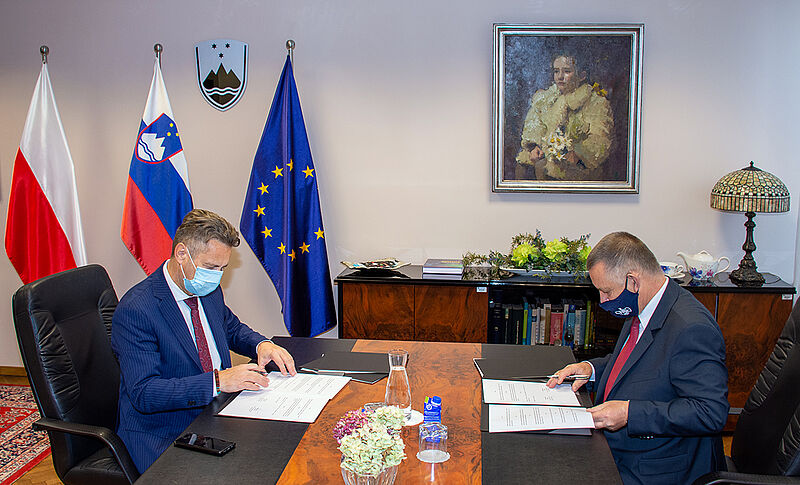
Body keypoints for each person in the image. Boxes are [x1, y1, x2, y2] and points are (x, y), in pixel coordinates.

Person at [111, 208, 297, 472]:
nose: (217, 276)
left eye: (222, 268)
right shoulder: (137, 310)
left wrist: (261, 344)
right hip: (166, 430)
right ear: (181, 254)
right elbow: (144, 393)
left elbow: (230, 328)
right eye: (211, 267)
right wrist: (219, 381)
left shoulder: (206, 288)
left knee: (280, 452)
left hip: (216, 412)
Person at [548, 232, 728, 484]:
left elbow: (710, 412)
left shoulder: (691, 328)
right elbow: (637, 362)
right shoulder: (647, 304)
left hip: (656, 465)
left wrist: (629, 413)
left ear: (633, 280)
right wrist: (591, 368)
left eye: (607, 291)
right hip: (625, 448)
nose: (603, 301)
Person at [515, 53, 613, 181]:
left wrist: (578, 154)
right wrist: (534, 146)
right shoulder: (546, 99)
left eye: (567, 71)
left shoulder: (596, 102)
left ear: (581, 75)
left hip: (578, 164)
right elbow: (535, 125)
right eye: (556, 71)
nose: (560, 77)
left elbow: (600, 139)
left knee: (543, 168)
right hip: (546, 155)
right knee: (522, 164)